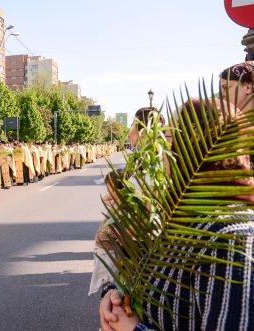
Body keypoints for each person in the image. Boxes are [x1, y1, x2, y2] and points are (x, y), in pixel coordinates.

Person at [99, 62, 254, 331]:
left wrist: (134, 329)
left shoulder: (232, 238)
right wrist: (113, 295)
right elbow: (151, 274)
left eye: (171, 139)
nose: (164, 151)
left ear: (201, 148)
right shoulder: (183, 213)